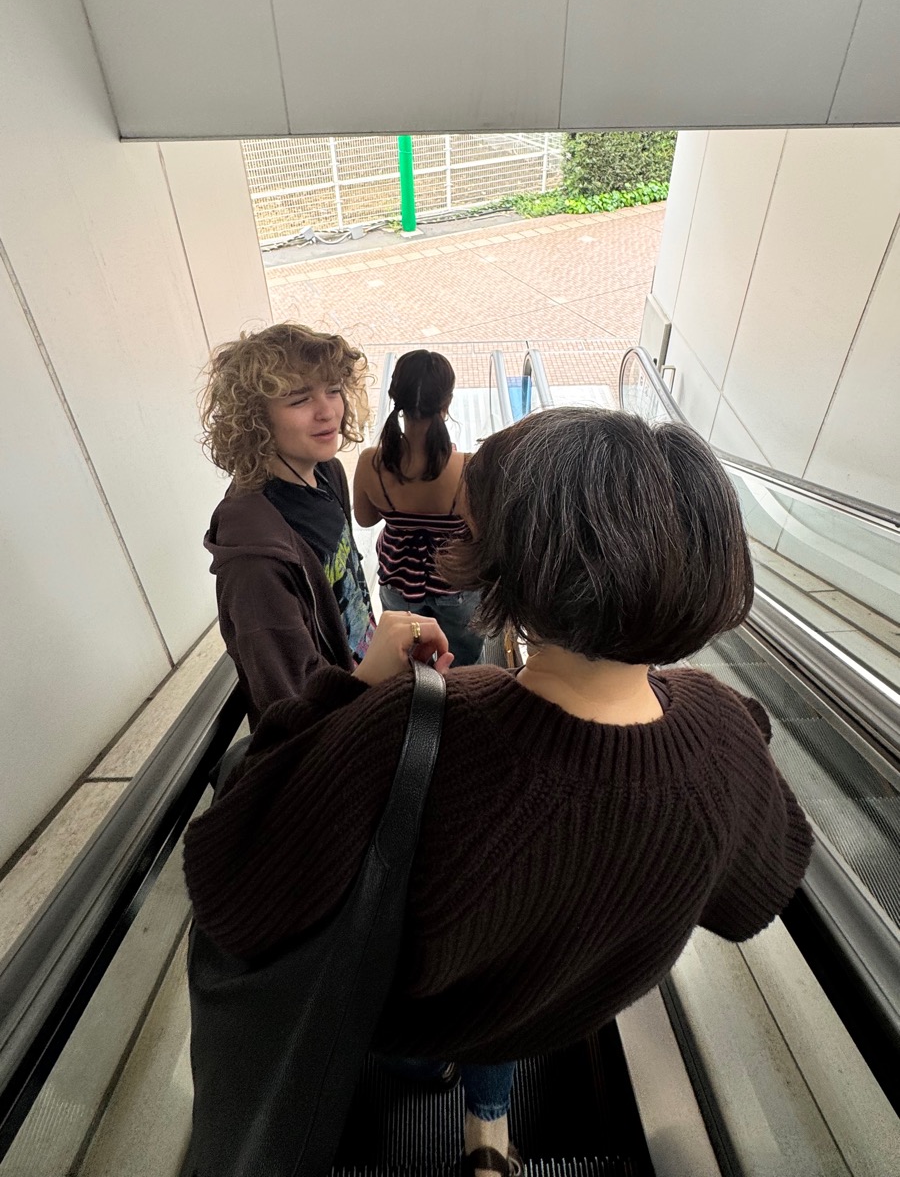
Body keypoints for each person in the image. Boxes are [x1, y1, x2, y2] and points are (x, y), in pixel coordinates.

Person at [185, 408, 813, 1177]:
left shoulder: (412, 728)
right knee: (499, 1021)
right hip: (549, 1015)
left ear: (507, 570)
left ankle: (427, 1079)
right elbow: (753, 895)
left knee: (419, 1048)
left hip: (412, 1018)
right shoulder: (718, 732)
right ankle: (489, 1136)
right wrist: (732, 733)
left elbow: (234, 875)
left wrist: (349, 692)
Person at [200, 322, 389, 727]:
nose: (328, 412)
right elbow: (291, 710)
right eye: (300, 399)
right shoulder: (254, 562)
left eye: (334, 390)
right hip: (340, 732)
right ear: (256, 419)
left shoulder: (328, 473)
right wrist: (381, 674)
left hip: (369, 687)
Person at [354, 349, 484, 666]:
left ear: (394, 395)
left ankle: (416, 704)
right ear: (447, 403)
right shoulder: (467, 468)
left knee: (407, 660)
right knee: (461, 661)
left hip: (398, 581)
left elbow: (365, 518)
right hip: (455, 587)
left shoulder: (371, 462)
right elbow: (483, 536)